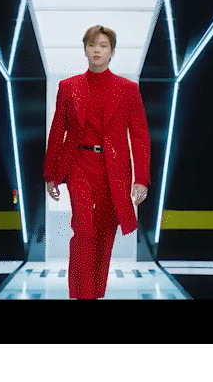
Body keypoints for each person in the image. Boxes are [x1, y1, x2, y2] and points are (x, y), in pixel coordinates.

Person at [44, 25, 151, 299]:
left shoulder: (128, 89)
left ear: (112, 52)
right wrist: (50, 174)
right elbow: (57, 131)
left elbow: (139, 135)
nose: (96, 50)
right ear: (85, 49)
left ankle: (94, 293)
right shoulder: (68, 87)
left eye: (103, 46)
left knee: (105, 233)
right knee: (83, 229)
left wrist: (141, 178)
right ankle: (83, 294)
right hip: (78, 164)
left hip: (113, 169)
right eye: (92, 45)